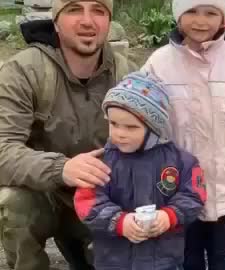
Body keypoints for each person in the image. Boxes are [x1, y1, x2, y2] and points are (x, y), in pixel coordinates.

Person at [0, 0, 136, 269]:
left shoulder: (127, 75)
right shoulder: (23, 72)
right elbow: (3, 148)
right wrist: (61, 168)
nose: (87, 21)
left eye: (98, 10)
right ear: (56, 21)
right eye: (74, 9)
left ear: (109, 21)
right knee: (14, 203)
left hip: (102, 197)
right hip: (45, 195)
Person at [142, 0, 225, 269]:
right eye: (192, 12)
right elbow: (147, 118)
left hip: (224, 180)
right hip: (177, 183)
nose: (201, 20)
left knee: (222, 254)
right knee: (188, 253)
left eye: (211, 13)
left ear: (223, 19)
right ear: (178, 16)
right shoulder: (158, 64)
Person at [74, 71, 206, 269]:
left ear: (154, 128)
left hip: (164, 261)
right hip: (114, 261)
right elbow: (87, 201)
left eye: (131, 127)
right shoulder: (101, 163)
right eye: (114, 123)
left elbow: (195, 196)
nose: (120, 133)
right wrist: (119, 221)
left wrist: (169, 216)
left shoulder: (181, 162)